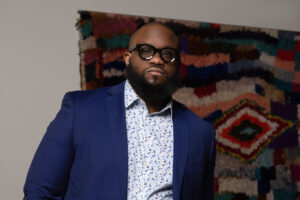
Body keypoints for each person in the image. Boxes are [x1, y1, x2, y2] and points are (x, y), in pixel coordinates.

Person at [23, 22, 216, 200]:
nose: (157, 59)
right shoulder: (80, 110)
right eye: (146, 51)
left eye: (167, 54)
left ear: (177, 65)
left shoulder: (200, 133)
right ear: (128, 58)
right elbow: (40, 191)